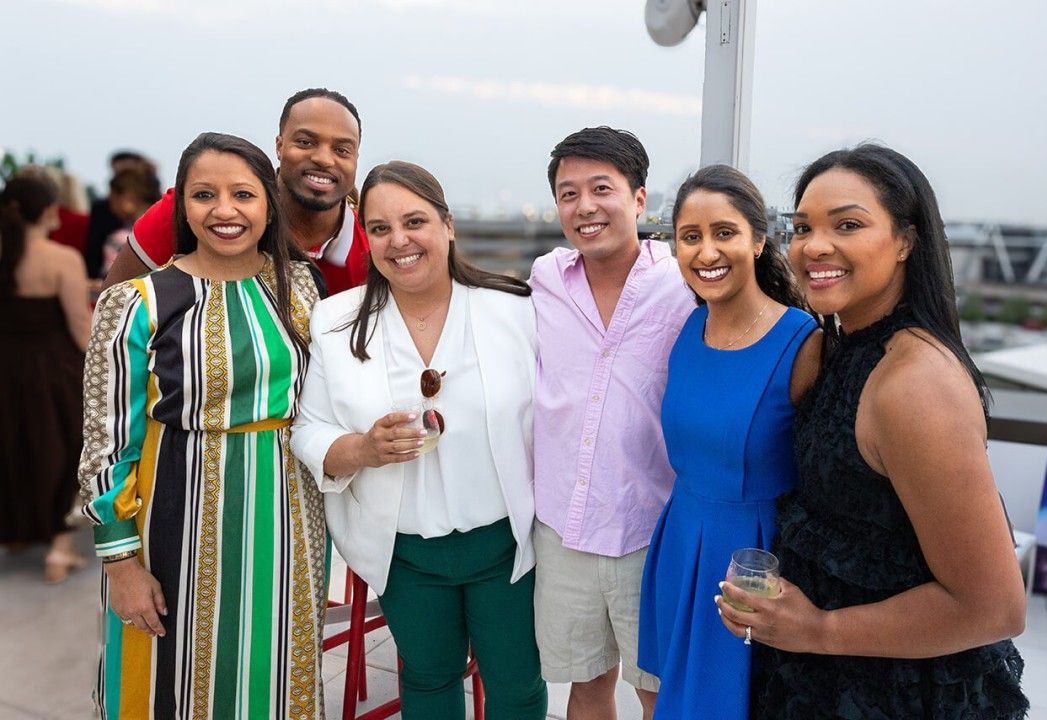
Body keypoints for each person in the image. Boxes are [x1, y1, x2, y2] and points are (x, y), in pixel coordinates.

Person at [717, 144, 1029, 718]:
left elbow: (993, 606)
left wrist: (819, 629)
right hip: (829, 678)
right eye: (803, 226)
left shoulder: (914, 383)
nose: (814, 246)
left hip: (896, 692)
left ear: (906, 240)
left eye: (849, 225)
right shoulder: (843, 348)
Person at [79, 133, 327, 719]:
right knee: (169, 688)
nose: (224, 211)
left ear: (268, 202)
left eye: (242, 194)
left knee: (276, 684)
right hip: (172, 534)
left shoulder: (299, 288)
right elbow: (106, 439)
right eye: (204, 194)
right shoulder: (136, 303)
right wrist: (119, 562)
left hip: (290, 528)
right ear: (181, 206)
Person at [292, 161, 547, 719]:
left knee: (518, 684)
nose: (399, 241)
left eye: (415, 221)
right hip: (402, 550)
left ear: (448, 225)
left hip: (504, 545)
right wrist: (363, 449)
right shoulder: (335, 322)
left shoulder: (517, 309)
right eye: (380, 229)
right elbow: (308, 429)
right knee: (428, 680)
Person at [637, 165, 820, 718]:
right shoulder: (690, 330)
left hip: (751, 560)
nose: (706, 251)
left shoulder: (802, 342)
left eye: (725, 232)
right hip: (678, 541)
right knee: (667, 696)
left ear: (759, 240)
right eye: (690, 237)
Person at [529, 126, 696, 720]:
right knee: (585, 684)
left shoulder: (682, 287)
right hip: (563, 530)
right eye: (568, 193)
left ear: (640, 197)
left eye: (602, 188)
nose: (585, 207)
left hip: (648, 529)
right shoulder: (544, 279)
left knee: (657, 690)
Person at [103, 88, 369, 296]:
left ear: (356, 158)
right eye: (305, 142)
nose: (323, 158)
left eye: (342, 149)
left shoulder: (374, 245)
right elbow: (111, 314)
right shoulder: (193, 211)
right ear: (279, 145)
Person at [0, 173, 91, 583]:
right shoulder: (61, 259)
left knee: (13, 449)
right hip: (52, 373)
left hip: (7, 368)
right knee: (62, 452)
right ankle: (58, 546)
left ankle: (17, 533)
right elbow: (82, 331)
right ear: (49, 209)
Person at [84, 154, 160, 277]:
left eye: (112, 199)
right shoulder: (166, 232)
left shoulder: (121, 239)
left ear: (127, 198)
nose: (110, 207)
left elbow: (111, 283)